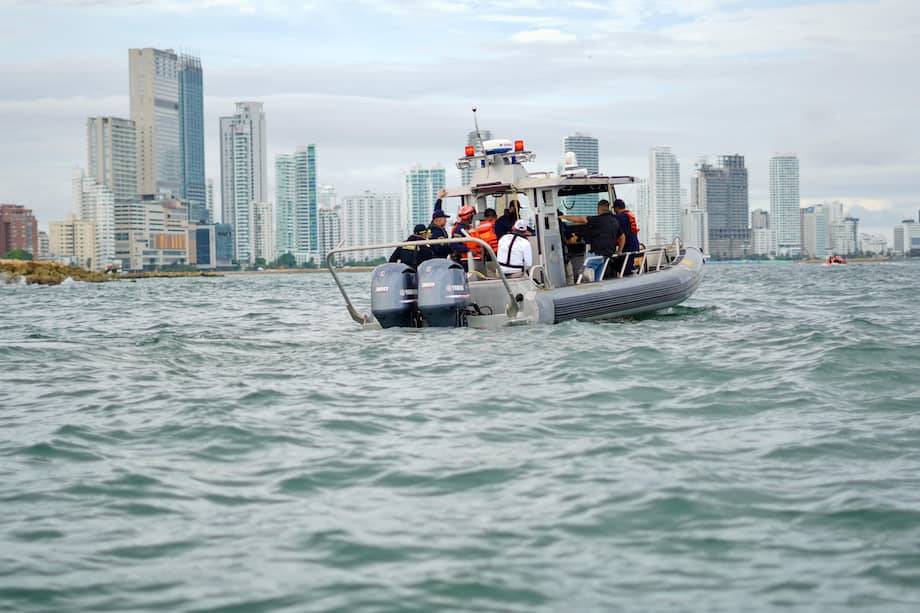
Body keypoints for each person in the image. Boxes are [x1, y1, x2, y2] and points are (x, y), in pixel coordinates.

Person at [560, 199, 624, 259]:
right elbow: (622, 237)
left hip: (597, 255)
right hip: (610, 255)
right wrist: (619, 251)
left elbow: (581, 219)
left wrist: (563, 217)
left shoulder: (596, 220)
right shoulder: (615, 221)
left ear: (599, 208)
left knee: (585, 267)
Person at [612, 199, 640, 275]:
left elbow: (611, 220)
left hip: (628, 247)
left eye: (614, 208)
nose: (614, 210)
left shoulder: (620, 217)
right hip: (634, 245)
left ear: (617, 208)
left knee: (626, 270)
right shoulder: (629, 214)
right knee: (622, 266)